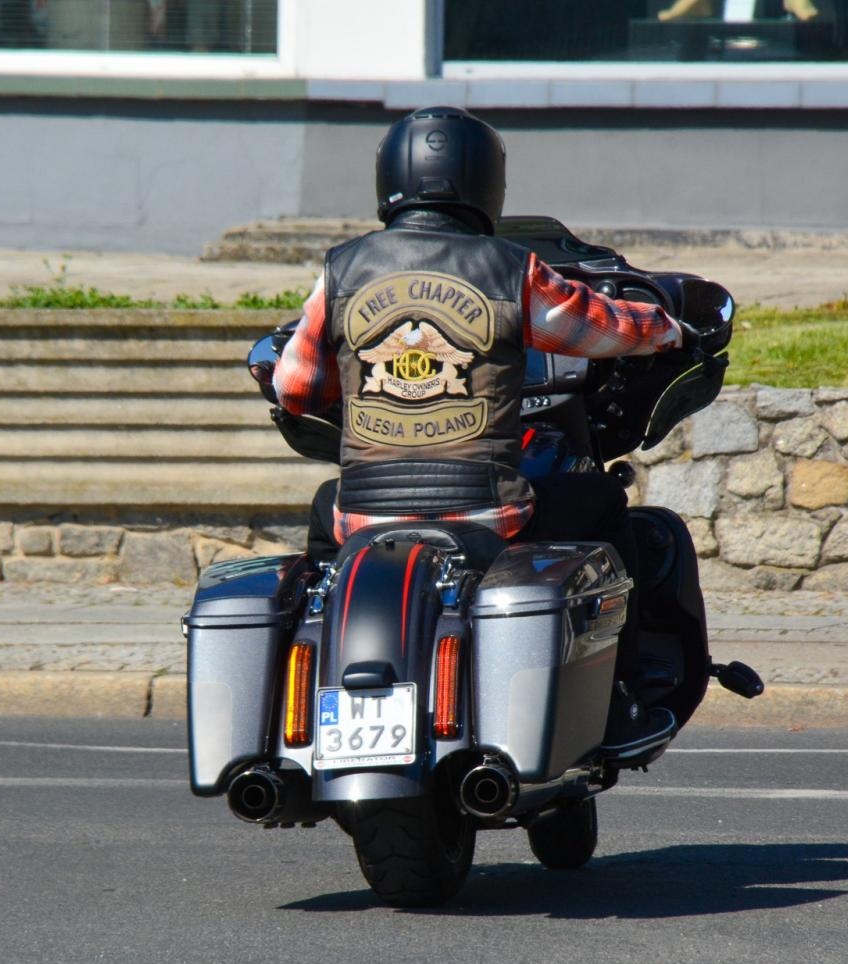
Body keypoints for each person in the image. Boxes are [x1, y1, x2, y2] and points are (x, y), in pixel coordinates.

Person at [271, 106, 696, 759]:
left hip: (364, 519)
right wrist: (665, 329)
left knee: (323, 512)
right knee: (604, 505)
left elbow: (295, 387)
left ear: (387, 181)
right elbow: (599, 327)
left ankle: (308, 676)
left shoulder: (340, 270)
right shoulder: (508, 268)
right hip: (486, 513)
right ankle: (628, 689)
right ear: (484, 184)